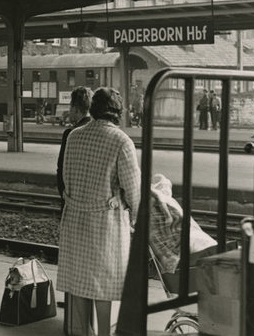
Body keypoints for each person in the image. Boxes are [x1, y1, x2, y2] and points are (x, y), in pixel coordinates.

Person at [57, 87, 141, 336]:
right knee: (104, 287)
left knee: (79, 284)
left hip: (74, 221)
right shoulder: (121, 141)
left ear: (93, 110)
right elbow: (134, 191)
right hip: (105, 225)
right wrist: (134, 214)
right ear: (118, 113)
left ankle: (82, 332)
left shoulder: (74, 136)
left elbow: (65, 178)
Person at [56, 86, 93, 211]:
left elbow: (61, 169)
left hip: (71, 200)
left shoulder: (70, 134)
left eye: (70, 107)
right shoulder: (98, 131)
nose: (69, 111)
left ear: (76, 109)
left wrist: (64, 196)